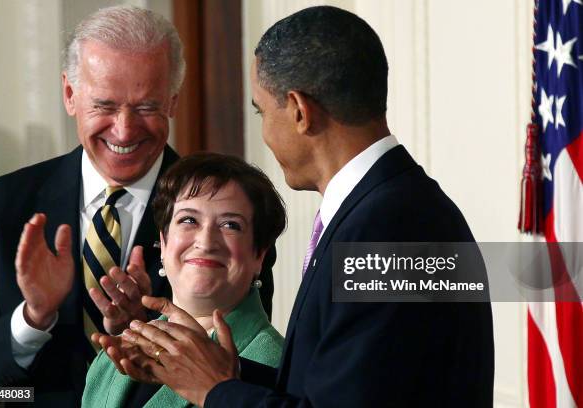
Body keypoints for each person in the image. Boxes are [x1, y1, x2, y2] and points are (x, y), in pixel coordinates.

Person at [114, 5, 495, 407]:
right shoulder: (395, 209)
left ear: (299, 111)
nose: (264, 131)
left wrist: (215, 390)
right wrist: (221, 370)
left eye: (262, 110)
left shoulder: (386, 229)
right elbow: (351, 386)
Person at [0, 6, 275, 406]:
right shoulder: (0, 206)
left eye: (146, 106)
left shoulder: (225, 217)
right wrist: (33, 317)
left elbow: (244, 365)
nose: (125, 129)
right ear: (70, 95)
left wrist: (146, 327)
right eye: (105, 106)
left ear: (172, 101)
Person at [83, 153, 286, 407]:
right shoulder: (111, 359)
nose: (206, 242)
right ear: (164, 244)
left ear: (259, 255)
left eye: (230, 225)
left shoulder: (279, 369)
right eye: (189, 220)